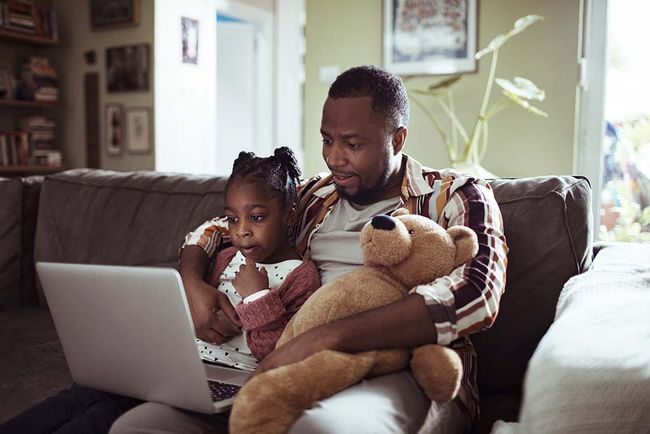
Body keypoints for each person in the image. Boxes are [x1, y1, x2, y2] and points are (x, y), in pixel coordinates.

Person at [111, 65, 508, 434]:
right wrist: (192, 282)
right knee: (139, 425)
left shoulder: (455, 195)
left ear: (398, 139)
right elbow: (216, 228)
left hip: (403, 366)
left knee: (320, 430)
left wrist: (326, 337)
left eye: (352, 144)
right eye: (327, 140)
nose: (334, 158)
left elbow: (479, 293)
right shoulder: (316, 194)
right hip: (284, 358)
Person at [0, 147, 320, 434]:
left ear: (289, 212)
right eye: (233, 219)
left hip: (234, 378)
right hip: (182, 366)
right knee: (83, 394)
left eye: (257, 217)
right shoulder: (224, 257)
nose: (241, 231)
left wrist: (257, 298)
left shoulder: (302, 277)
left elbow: (279, 355)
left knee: (102, 415)